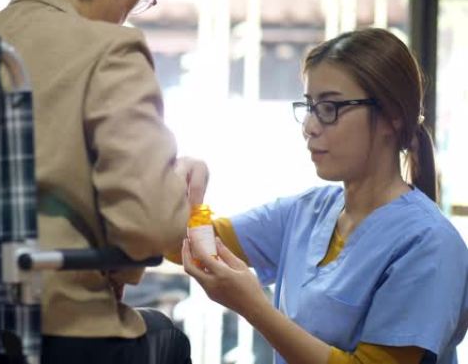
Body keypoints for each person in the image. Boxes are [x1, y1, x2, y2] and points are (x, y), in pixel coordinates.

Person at [0, 0, 199, 363]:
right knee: (169, 339)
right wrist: (173, 187)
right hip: (47, 333)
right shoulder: (111, 49)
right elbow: (150, 228)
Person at [180, 28, 468, 364]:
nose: (309, 126)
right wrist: (178, 182)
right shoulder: (307, 212)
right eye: (309, 106)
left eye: (330, 107)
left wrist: (254, 307)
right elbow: (187, 245)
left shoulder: (428, 244)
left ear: (392, 116)